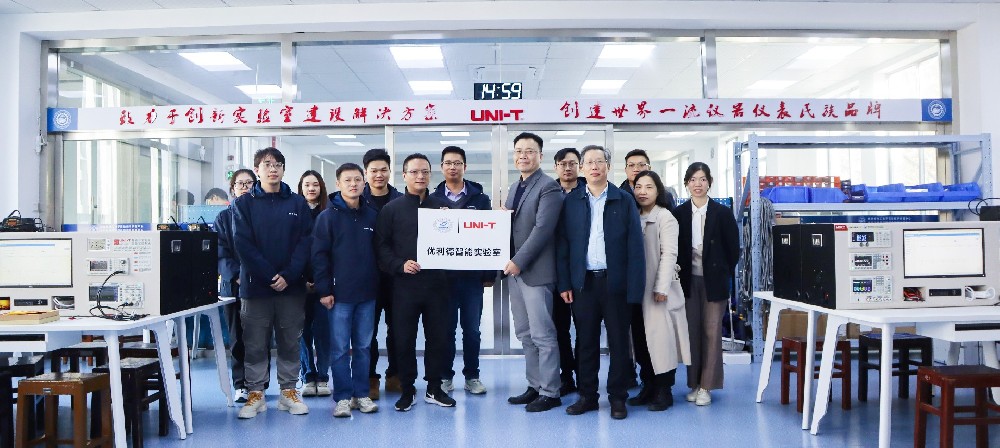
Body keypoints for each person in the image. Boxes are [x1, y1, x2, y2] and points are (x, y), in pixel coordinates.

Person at [556, 145, 644, 420]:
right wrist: (565, 283)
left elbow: (635, 246)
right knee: (585, 342)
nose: (594, 166)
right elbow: (563, 245)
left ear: (608, 166)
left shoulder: (623, 199)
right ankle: (587, 396)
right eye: (589, 162)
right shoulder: (571, 201)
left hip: (616, 283)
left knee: (618, 343)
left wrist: (634, 288)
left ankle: (618, 398)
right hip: (583, 284)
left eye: (600, 161)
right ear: (582, 168)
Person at [233, 147, 314, 419]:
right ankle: (255, 393)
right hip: (256, 288)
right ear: (257, 170)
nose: (273, 169)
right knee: (255, 342)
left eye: (278, 164)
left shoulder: (297, 204)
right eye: (267, 164)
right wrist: (270, 276)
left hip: (291, 287)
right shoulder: (243, 204)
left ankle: (288, 391)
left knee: (290, 341)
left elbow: (305, 242)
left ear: (283, 169)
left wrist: (288, 275)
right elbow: (243, 244)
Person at [375, 153, 456, 412]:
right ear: (404, 175)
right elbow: (381, 247)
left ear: (430, 175)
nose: (420, 176)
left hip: (437, 286)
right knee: (404, 339)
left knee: (438, 338)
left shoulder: (443, 207)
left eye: (425, 172)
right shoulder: (391, 209)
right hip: (404, 286)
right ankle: (407, 389)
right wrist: (399, 264)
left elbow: (459, 241)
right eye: (414, 172)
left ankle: (434, 388)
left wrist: (452, 222)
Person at [313, 163, 380, 418]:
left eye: (357, 180)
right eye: (348, 180)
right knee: (340, 349)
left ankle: (361, 394)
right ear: (338, 184)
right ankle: (342, 397)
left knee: (363, 347)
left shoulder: (372, 215)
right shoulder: (327, 217)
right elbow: (319, 256)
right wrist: (324, 290)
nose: (353, 184)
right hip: (338, 296)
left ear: (364, 183)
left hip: (367, 294)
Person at [504, 132, 563, 413]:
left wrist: (518, 261)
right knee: (525, 333)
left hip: (535, 272)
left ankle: (551, 391)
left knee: (543, 335)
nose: (523, 156)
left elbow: (542, 230)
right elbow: (512, 225)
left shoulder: (548, 187)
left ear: (540, 155)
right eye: (518, 151)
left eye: (529, 151)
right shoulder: (515, 187)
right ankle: (535, 385)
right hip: (515, 274)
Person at [672, 162, 740, 407]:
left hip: (714, 282)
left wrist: (721, 270)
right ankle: (694, 384)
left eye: (702, 179)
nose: (697, 184)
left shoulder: (722, 213)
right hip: (688, 281)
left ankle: (707, 386)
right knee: (692, 332)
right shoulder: (679, 213)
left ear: (709, 182)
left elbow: (734, 250)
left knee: (712, 331)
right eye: (693, 180)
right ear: (686, 184)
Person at [430, 146, 494, 395]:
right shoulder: (432, 200)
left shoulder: (480, 199)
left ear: (465, 167)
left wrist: (489, 274)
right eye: (448, 163)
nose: (453, 167)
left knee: (472, 331)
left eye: (457, 163)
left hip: (471, 278)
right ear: (442, 167)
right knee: (445, 331)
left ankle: (472, 376)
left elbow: (489, 237)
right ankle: (446, 376)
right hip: (442, 279)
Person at [632, 170, 690, 411]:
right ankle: (647, 386)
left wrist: (661, 287)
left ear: (658, 191)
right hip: (636, 289)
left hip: (658, 291)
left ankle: (664, 391)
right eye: (638, 187)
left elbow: (669, 255)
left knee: (661, 341)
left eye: (649, 187)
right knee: (641, 341)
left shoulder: (665, 217)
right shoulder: (633, 215)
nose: (643, 192)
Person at [215, 169, 260, 404]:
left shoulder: (262, 215)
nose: (244, 187)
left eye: (249, 183)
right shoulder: (223, 218)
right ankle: (241, 384)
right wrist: (237, 275)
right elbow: (220, 253)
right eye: (240, 184)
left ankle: (259, 384)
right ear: (233, 189)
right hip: (233, 287)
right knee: (237, 338)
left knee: (259, 338)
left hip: (259, 285)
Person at [363, 148, 404, 399]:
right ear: (366, 172)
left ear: (390, 171)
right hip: (366, 277)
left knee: (397, 329)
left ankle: (395, 375)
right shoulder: (356, 200)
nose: (379, 175)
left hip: (397, 278)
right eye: (374, 170)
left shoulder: (402, 199)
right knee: (367, 331)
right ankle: (370, 378)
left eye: (383, 170)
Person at [552, 147, 583, 396]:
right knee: (559, 328)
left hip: (584, 270)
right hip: (554, 270)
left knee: (585, 328)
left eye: (572, 163)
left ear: (579, 166)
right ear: (556, 167)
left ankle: (584, 375)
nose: (567, 168)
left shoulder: (589, 191)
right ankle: (566, 376)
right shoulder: (548, 192)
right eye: (563, 164)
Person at [298, 170, 331, 397]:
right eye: (307, 185)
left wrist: (322, 282)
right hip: (298, 283)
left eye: (315, 185)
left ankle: (323, 376)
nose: (311, 188)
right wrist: (302, 280)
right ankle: (308, 375)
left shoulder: (329, 213)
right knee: (302, 332)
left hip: (324, 284)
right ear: (301, 188)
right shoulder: (294, 213)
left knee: (323, 332)